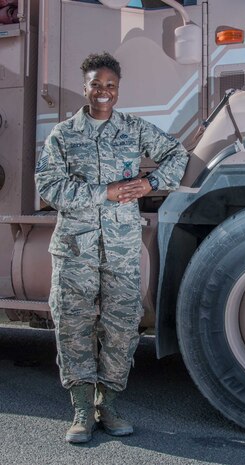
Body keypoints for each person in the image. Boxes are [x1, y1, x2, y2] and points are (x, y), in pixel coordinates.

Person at [35, 52, 189, 444]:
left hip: (121, 247)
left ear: (118, 91)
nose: (103, 92)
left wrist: (150, 185)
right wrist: (105, 192)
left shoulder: (134, 129)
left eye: (110, 86)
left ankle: (110, 402)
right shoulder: (63, 135)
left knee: (121, 325)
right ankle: (82, 408)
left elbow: (177, 154)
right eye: (95, 84)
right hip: (75, 248)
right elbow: (48, 188)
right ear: (84, 87)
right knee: (74, 325)